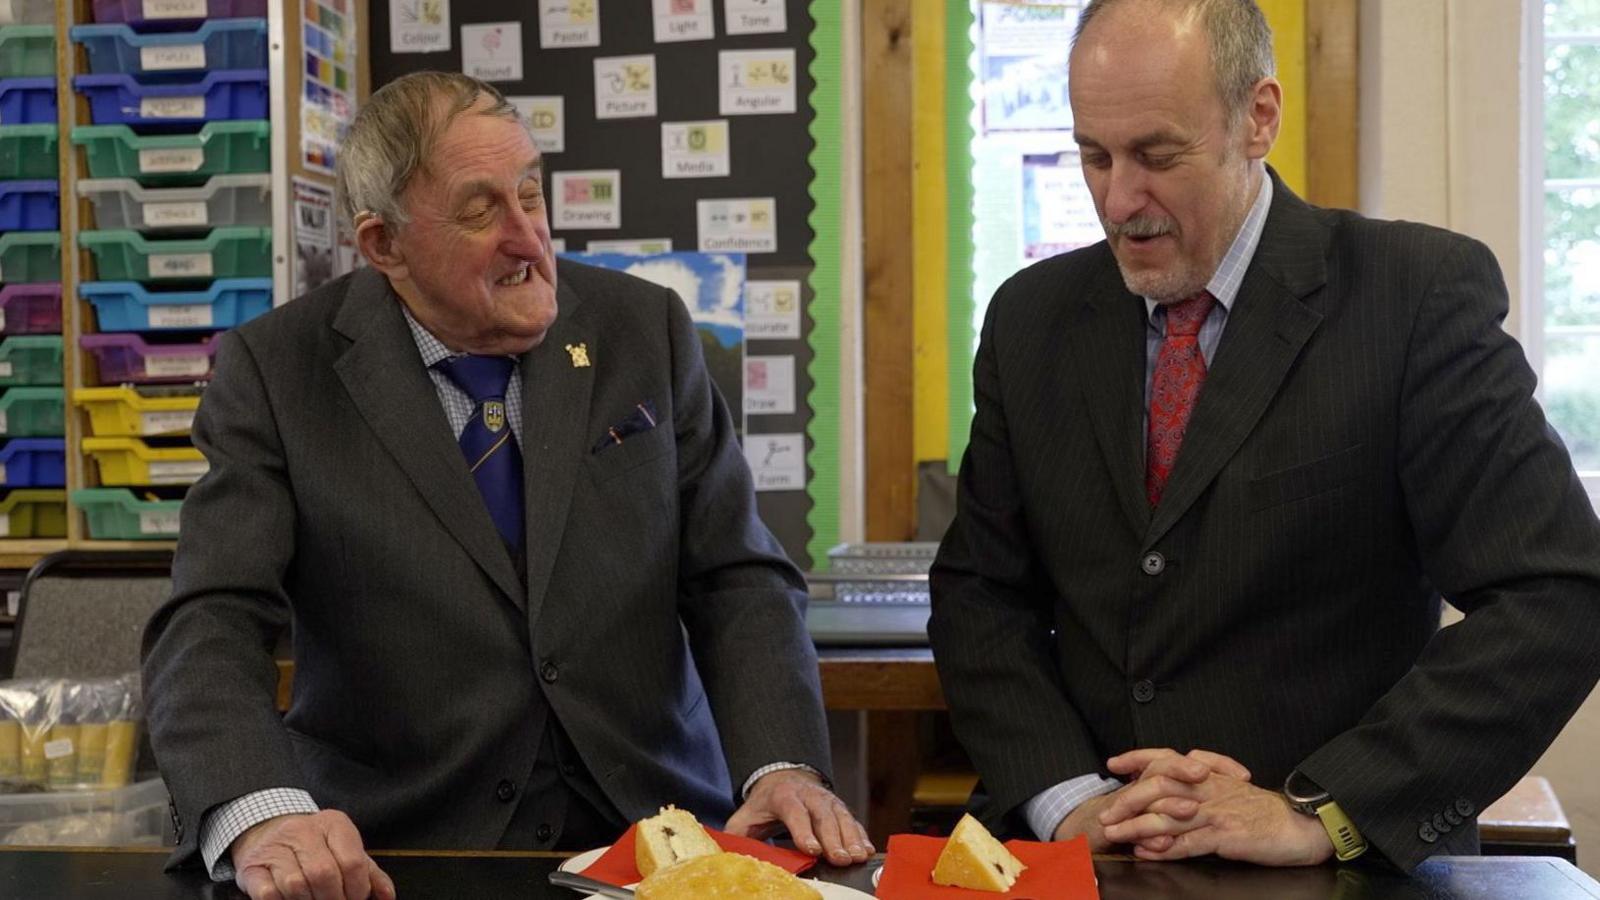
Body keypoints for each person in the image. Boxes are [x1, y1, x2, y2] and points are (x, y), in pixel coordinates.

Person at [142, 71, 871, 900]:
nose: (530, 238)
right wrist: (264, 811)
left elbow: (736, 576)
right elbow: (210, 619)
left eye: (532, 192)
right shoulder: (278, 372)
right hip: (398, 851)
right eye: (482, 210)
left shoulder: (647, 331)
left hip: (659, 834)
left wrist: (781, 766)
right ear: (384, 246)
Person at [928, 0, 1600, 874]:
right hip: (1087, 863)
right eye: (1095, 154)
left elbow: (1557, 593)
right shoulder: (1032, 320)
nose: (1118, 198)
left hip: (1333, 870)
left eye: (1157, 155)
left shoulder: (1411, 299)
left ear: (1259, 118)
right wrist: (1067, 800)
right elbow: (982, 594)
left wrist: (1325, 811)